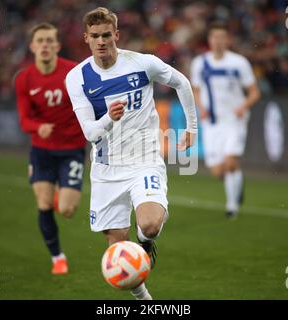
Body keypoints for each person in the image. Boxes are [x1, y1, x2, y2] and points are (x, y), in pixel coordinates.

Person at [65, 7, 197, 300]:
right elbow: (90, 132)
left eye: (107, 35)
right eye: (95, 36)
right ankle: (145, 300)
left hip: (145, 159)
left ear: (117, 35)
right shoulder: (78, 78)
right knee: (118, 254)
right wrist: (109, 118)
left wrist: (192, 129)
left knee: (149, 224)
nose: (102, 41)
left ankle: (146, 243)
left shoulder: (142, 63)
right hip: (106, 168)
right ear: (86, 38)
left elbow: (182, 83)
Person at [14, 23, 86, 275]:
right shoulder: (24, 79)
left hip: (72, 148)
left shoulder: (74, 73)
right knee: (43, 204)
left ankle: (60, 192)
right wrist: (38, 126)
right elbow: (24, 120)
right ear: (33, 46)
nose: (44, 45)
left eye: (49, 41)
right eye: (40, 41)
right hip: (42, 150)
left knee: (66, 210)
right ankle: (58, 258)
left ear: (57, 46)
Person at [190, 22, 261, 219]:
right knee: (217, 171)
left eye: (222, 37)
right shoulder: (200, 63)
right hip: (212, 123)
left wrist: (243, 106)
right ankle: (237, 184)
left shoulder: (239, 63)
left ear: (228, 40)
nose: (218, 41)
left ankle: (232, 207)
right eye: (214, 37)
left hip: (234, 121)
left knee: (230, 162)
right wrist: (201, 108)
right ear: (209, 40)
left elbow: (255, 92)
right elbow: (195, 90)